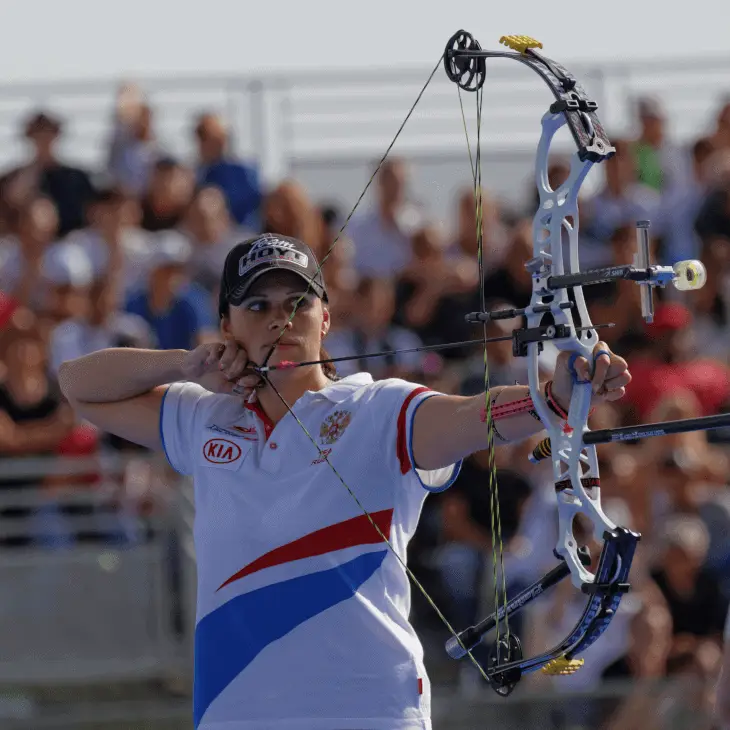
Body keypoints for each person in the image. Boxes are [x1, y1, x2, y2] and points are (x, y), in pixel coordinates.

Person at [57, 233, 632, 730]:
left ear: (325, 318)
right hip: (236, 711)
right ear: (226, 326)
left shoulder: (378, 409)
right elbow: (77, 384)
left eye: (298, 302)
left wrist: (553, 397)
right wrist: (183, 364)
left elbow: (469, 417)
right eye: (256, 305)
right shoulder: (201, 414)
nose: (280, 318)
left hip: (367, 708)